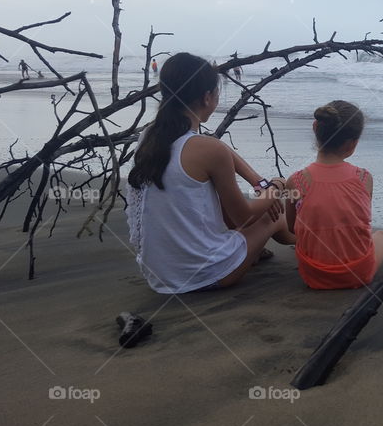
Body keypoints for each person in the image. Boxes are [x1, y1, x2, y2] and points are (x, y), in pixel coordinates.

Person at [126, 52, 296, 294]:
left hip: (160, 276)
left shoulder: (150, 135)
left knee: (228, 207)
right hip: (205, 274)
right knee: (273, 216)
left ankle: (263, 248)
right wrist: (276, 186)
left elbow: (217, 148)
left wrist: (257, 181)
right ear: (207, 97)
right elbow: (244, 218)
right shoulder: (207, 149)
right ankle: (310, 243)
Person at [286, 100, 383, 290]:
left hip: (313, 274)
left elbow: (292, 228)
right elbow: (360, 224)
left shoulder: (296, 181)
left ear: (315, 127)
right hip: (358, 273)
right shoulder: (363, 178)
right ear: (353, 144)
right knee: (380, 236)